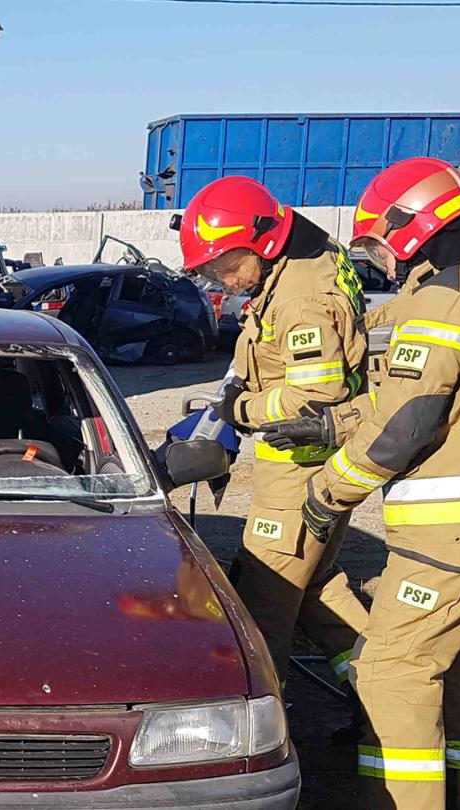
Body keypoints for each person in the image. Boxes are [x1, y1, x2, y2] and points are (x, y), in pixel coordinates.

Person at [261, 157, 460, 810]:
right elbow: (437, 397)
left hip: (452, 537)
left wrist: (329, 490)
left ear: (408, 226)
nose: (380, 259)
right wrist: (333, 425)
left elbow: (412, 421)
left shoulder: (443, 295)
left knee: (392, 677)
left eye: (376, 243)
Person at [171, 176, 370, 688]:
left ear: (264, 240)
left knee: (264, 605)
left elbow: (311, 396)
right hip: (315, 463)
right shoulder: (295, 264)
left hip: (300, 468)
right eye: (212, 272)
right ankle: (384, 693)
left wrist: (240, 409)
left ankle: (264, 718)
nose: (224, 281)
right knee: (315, 588)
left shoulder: (300, 297)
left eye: (228, 266)